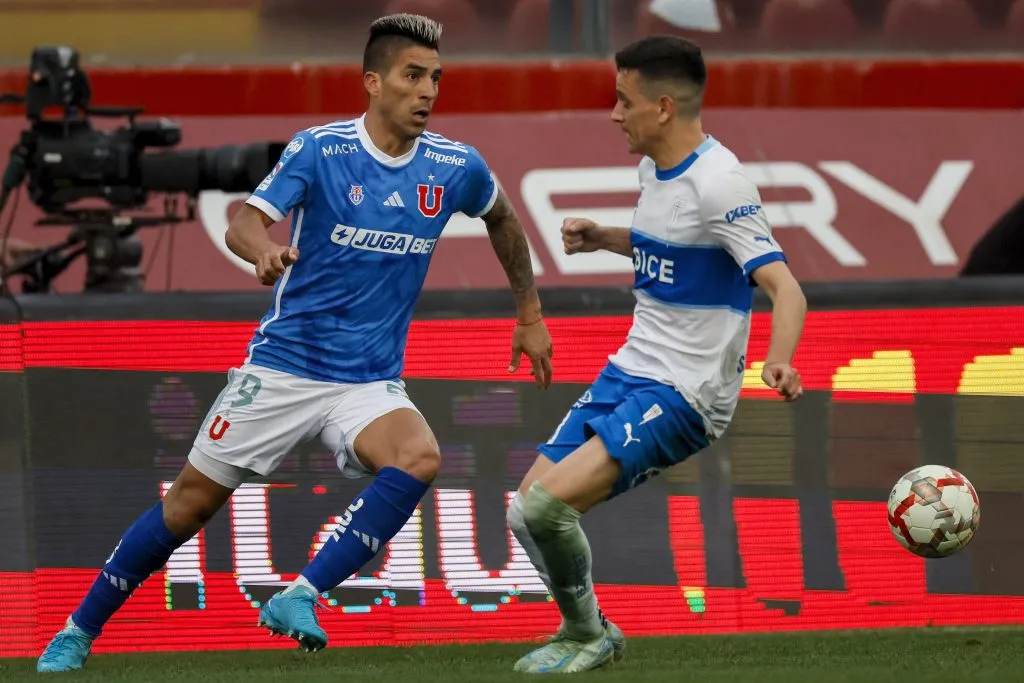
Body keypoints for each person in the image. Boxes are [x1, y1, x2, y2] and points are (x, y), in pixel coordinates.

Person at [37, 13, 553, 673]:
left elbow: (504, 218)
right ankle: (77, 630)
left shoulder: (455, 166)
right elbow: (243, 222)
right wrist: (264, 253)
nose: (427, 90)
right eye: (412, 75)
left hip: (366, 381)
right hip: (283, 368)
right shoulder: (322, 150)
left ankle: (300, 593)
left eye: (436, 78)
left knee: (420, 454)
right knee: (188, 504)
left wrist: (530, 313)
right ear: (373, 81)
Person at [505, 35, 806, 674]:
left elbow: (786, 288)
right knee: (523, 514)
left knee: (546, 507)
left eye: (623, 101)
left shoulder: (721, 183)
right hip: (633, 368)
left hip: (687, 393)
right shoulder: (655, 171)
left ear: (663, 107)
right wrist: (606, 238)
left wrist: (779, 360)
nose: (614, 114)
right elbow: (674, 251)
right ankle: (591, 632)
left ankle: (587, 637)